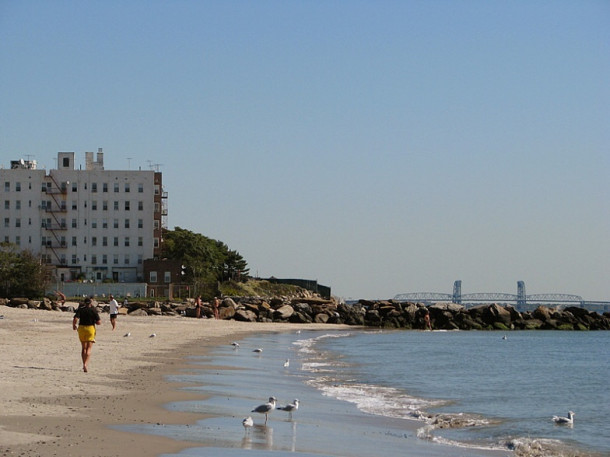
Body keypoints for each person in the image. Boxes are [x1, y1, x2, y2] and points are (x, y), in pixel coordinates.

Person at [73, 298, 101, 372]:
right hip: (90, 328)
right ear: (90, 303)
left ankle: (83, 364)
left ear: (84, 303)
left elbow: (75, 318)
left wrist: (74, 325)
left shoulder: (81, 309)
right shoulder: (93, 310)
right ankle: (86, 364)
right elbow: (99, 322)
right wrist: (93, 320)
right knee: (89, 348)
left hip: (82, 328)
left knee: (83, 348)